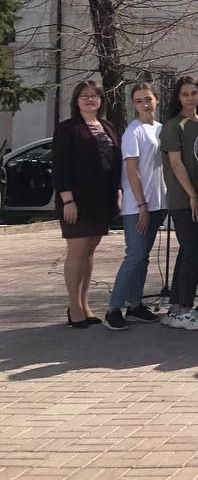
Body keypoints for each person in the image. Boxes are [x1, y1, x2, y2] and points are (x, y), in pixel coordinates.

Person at [53, 80, 122, 327]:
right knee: (77, 252)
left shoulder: (108, 126)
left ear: (101, 100)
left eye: (94, 95)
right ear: (76, 101)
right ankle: (74, 308)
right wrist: (67, 200)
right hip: (76, 200)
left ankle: (84, 304)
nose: (90, 99)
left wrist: (118, 190)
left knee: (89, 252)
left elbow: (115, 164)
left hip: (101, 200)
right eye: (84, 96)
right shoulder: (68, 129)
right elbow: (60, 167)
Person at [104, 82, 168, 330]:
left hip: (158, 203)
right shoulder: (134, 131)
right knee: (135, 256)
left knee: (143, 258)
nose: (145, 104)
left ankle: (135, 303)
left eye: (148, 99)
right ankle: (113, 308)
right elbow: (132, 170)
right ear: (134, 104)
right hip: (137, 205)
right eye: (139, 100)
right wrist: (141, 203)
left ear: (156, 100)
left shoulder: (160, 129)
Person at [158, 76, 198, 331]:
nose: (190, 98)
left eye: (194, 93)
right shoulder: (173, 126)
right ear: (178, 97)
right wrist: (191, 194)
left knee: (188, 252)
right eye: (185, 94)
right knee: (194, 252)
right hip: (184, 200)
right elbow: (176, 163)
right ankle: (184, 309)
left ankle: (176, 305)